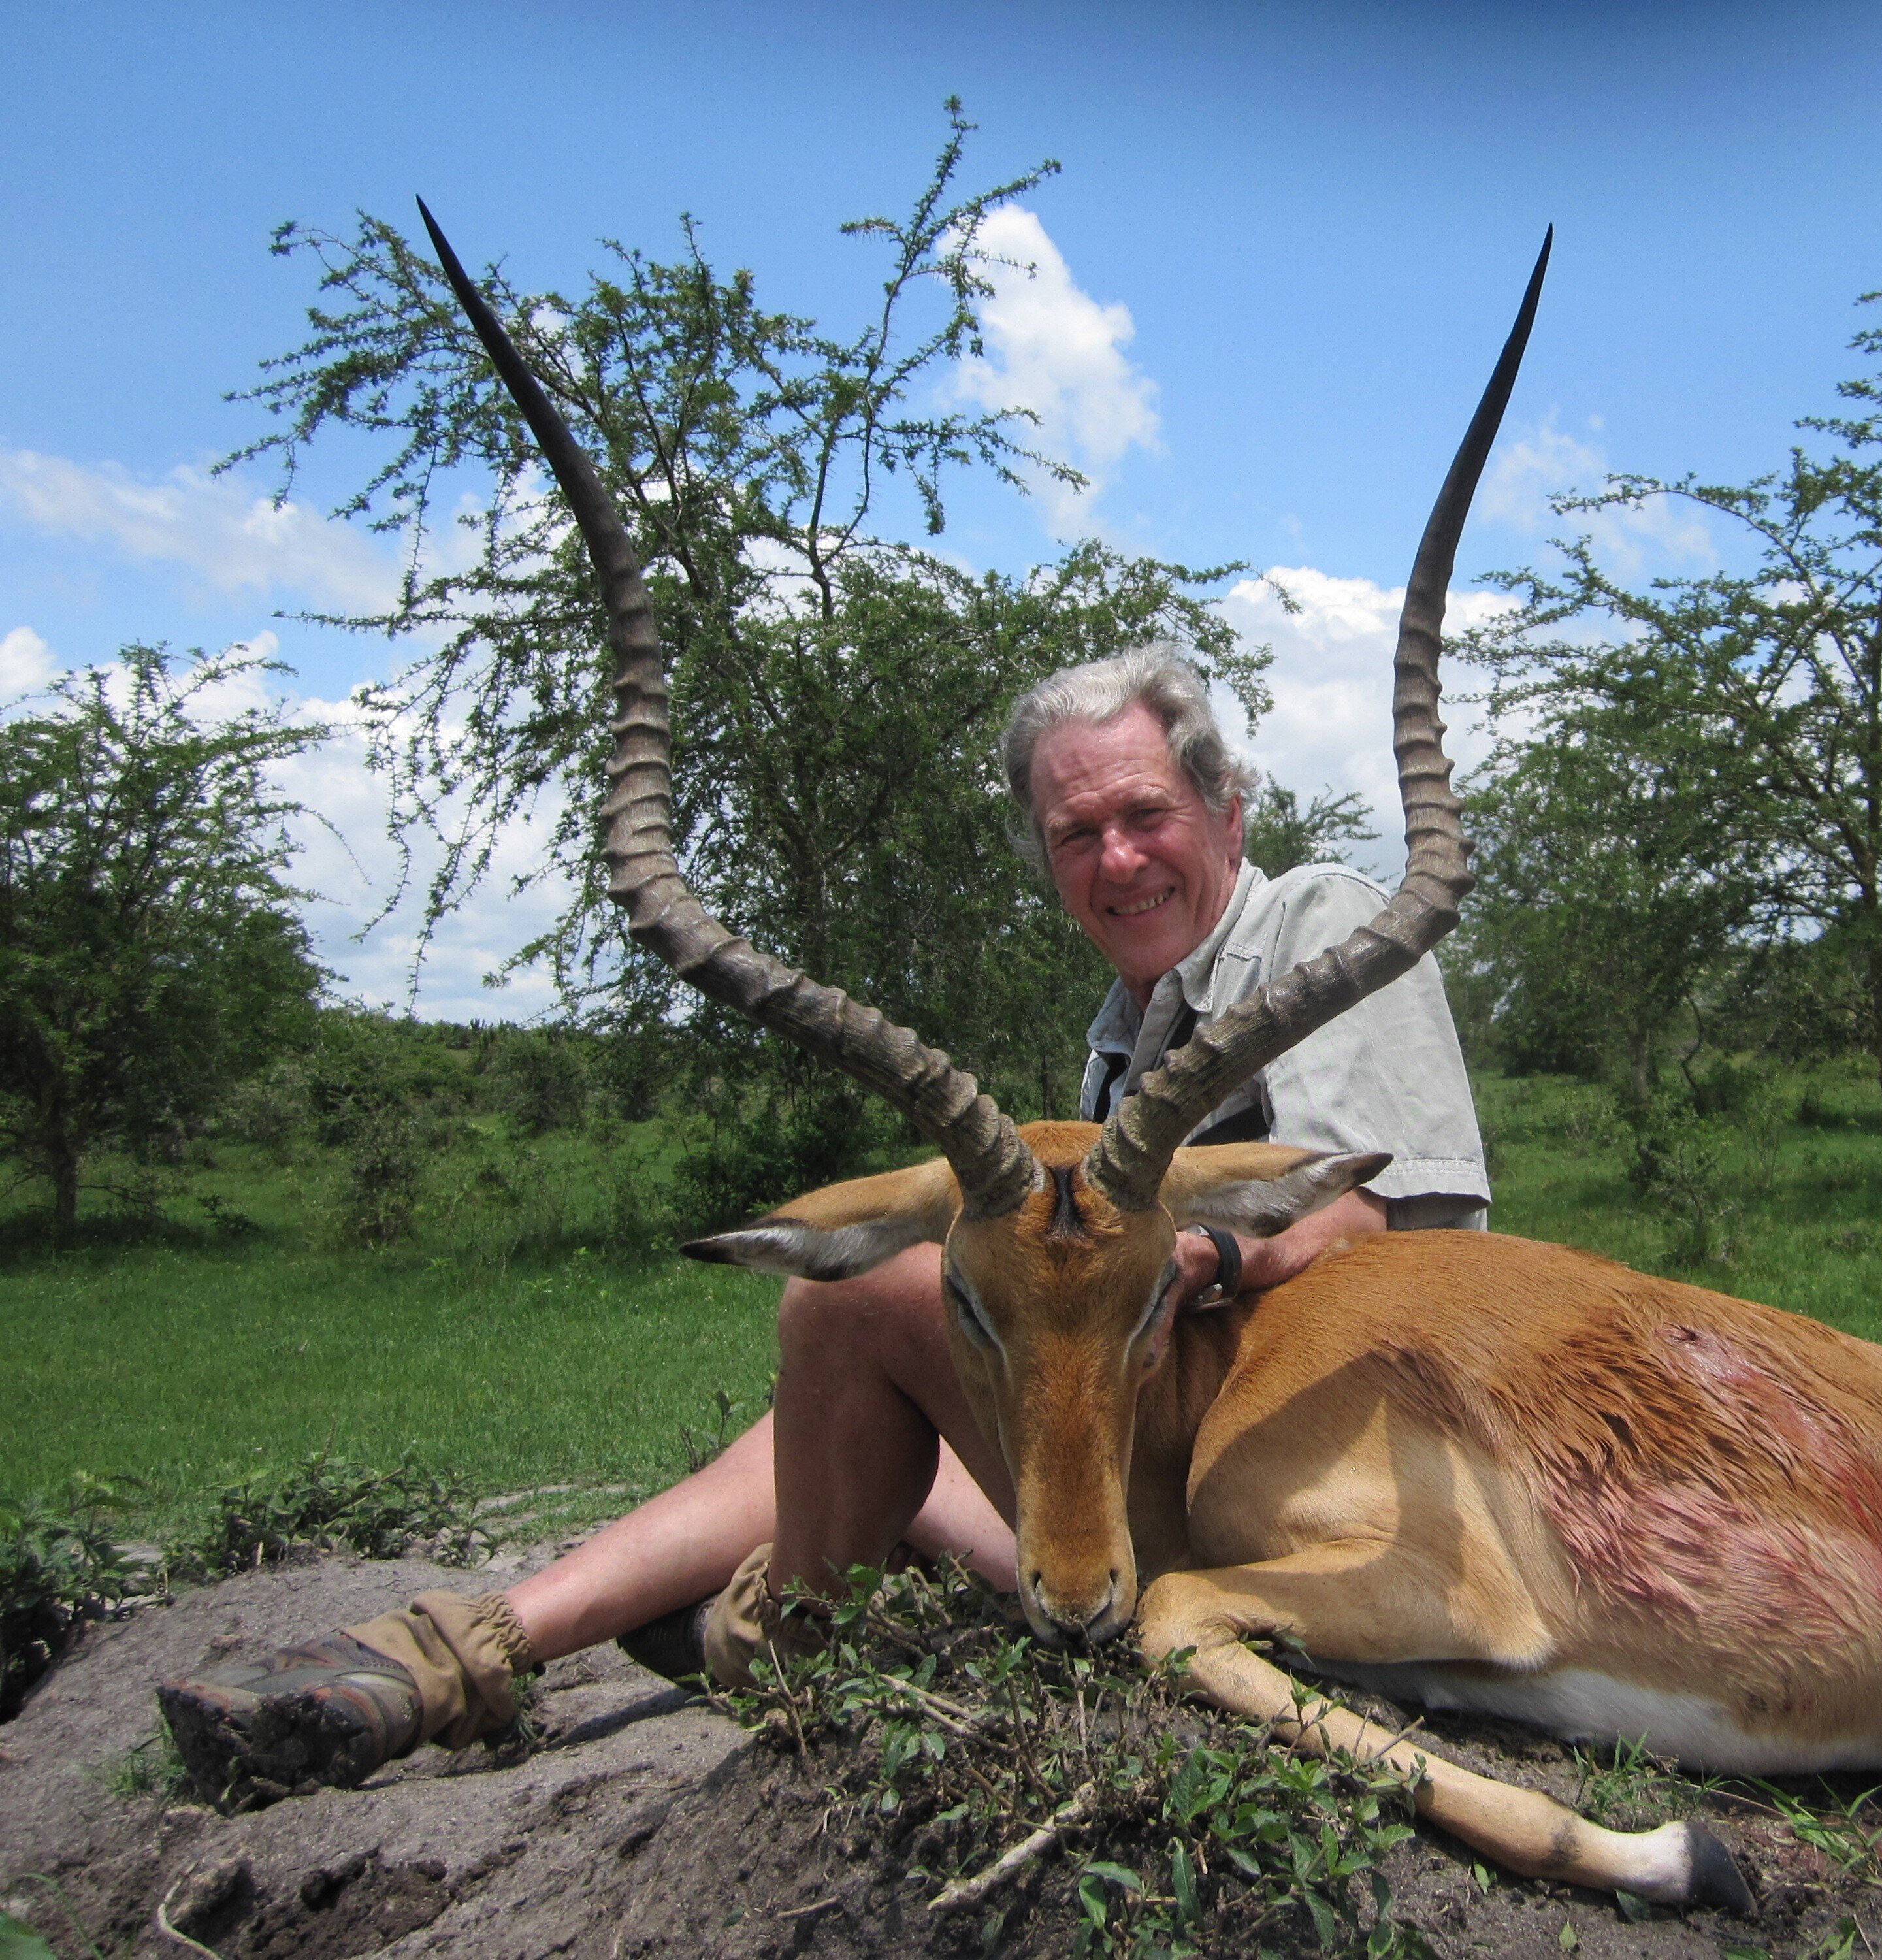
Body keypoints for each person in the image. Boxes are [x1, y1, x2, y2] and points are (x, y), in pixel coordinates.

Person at [157, 647, 1489, 1800]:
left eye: (1144, 813)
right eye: (1075, 835)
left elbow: (1381, 1216)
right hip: (1154, 1445)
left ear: (1227, 809)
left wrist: (1171, 1264)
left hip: (1320, 1475)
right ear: (1045, 862)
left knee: (864, 1306)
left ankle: (778, 1632)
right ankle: (464, 1644)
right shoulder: (1120, 1045)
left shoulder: (1319, 923)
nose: (1116, 857)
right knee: (878, 1365)